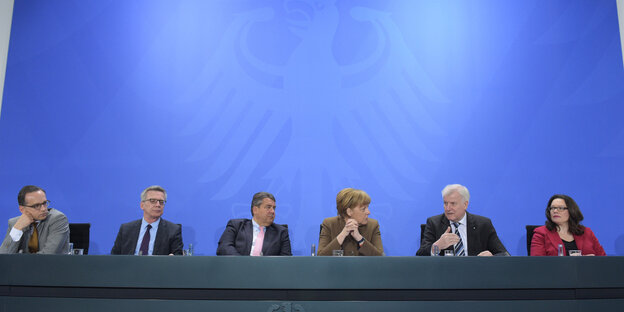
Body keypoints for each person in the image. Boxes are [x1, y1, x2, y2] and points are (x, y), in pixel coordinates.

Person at [416, 184, 508, 256]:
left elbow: (504, 254)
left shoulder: (483, 224)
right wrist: (437, 246)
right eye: (445, 203)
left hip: (476, 276)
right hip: (445, 277)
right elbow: (420, 255)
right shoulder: (434, 223)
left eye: (453, 203)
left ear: (465, 204)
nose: (448, 208)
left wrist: (491, 257)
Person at [111, 185, 183, 255]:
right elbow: (114, 257)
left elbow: (177, 257)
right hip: (129, 266)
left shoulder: (173, 230)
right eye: (153, 201)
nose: (158, 205)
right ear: (142, 205)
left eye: (161, 202)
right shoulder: (126, 229)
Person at [217, 192, 291, 256]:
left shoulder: (281, 232)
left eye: (274, 208)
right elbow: (224, 248)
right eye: (268, 207)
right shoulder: (237, 226)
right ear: (255, 209)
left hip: (268, 271)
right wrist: (243, 264)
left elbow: (286, 260)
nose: (272, 211)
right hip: (238, 269)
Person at [0, 185, 69, 254]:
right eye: (36, 206)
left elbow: (48, 255)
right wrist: (17, 228)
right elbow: (3, 256)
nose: (43, 209)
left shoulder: (58, 219)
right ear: (22, 209)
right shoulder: (14, 223)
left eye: (44, 203)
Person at [530, 194, 605, 256]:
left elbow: (603, 259)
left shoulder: (587, 232)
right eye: (552, 208)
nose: (555, 211)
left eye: (561, 208)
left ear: (571, 210)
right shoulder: (541, 233)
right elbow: (538, 263)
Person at [318, 188, 383, 256]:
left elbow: (380, 258)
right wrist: (343, 234)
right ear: (349, 211)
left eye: (367, 207)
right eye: (363, 209)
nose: (368, 212)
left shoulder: (373, 225)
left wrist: (359, 238)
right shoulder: (329, 224)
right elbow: (321, 257)